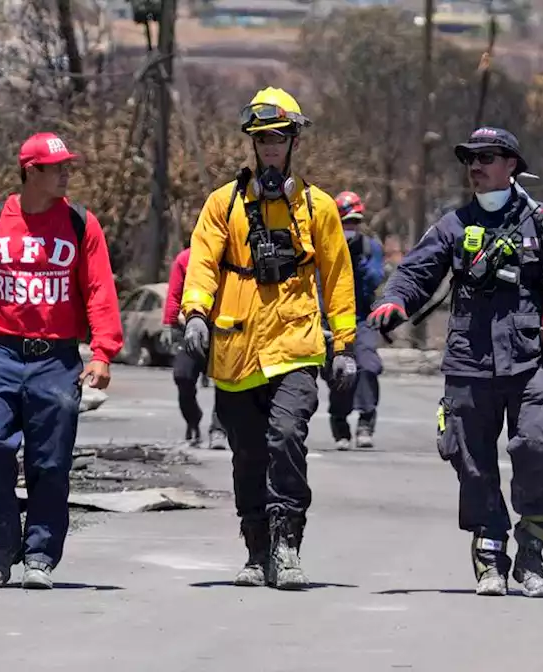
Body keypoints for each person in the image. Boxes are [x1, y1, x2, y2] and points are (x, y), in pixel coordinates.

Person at [366, 127, 543, 598]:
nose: (476, 166)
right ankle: (489, 554)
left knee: (537, 444)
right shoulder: (453, 224)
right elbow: (416, 271)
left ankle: (532, 549)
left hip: (529, 360)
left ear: (511, 165)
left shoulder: (541, 219)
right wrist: (395, 300)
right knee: (472, 460)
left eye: (487, 157)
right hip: (469, 362)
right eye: (470, 158)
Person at [180, 87, 358, 590]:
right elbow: (203, 261)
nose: (271, 147)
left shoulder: (318, 207)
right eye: (262, 139)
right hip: (236, 352)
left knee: (285, 438)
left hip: (295, 346)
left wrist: (343, 345)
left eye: (278, 138)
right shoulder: (224, 204)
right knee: (248, 457)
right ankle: (257, 552)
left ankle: (287, 546)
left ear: (293, 141)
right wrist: (194, 312)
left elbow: (338, 277)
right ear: (252, 145)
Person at [0, 132, 123, 590]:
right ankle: (1, 549)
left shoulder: (81, 223)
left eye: (67, 167)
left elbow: (99, 289)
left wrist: (103, 352)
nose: (65, 174)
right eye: (56, 167)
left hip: (56, 360)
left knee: (50, 463)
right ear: (30, 171)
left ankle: (39, 554)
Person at [322, 191, 387, 450]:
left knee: (368, 366)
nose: (350, 228)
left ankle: (366, 422)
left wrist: (357, 261)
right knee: (337, 374)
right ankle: (339, 422)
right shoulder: (322, 247)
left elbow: (374, 279)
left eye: (355, 222)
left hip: (362, 319)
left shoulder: (371, 248)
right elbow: (314, 285)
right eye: (345, 222)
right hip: (330, 322)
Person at [161, 236, 227, 449]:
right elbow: (174, 293)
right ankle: (193, 419)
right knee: (182, 376)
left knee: (225, 383)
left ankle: (219, 429)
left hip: (223, 329)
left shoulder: (230, 258)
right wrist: (170, 322)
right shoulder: (185, 259)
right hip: (188, 327)